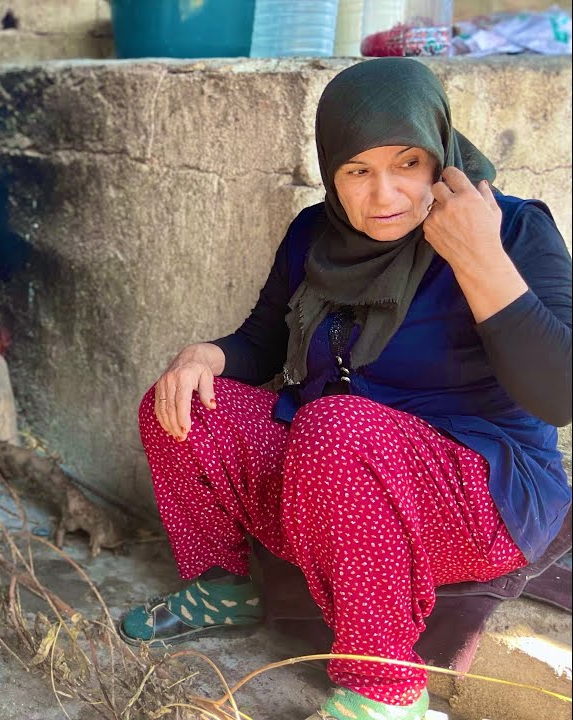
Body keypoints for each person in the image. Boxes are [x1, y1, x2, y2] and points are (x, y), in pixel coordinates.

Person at [121, 58, 571, 720]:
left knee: (337, 427)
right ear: (332, 171)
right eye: (358, 171)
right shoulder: (316, 233)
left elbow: (559, 396)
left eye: (407, 163)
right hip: (331, 470)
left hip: (479, 493)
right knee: (181, 405)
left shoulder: (513, 230)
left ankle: (386, 690)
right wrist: (203, 356)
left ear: (440, 152)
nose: (384, 194)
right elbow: (263, 342)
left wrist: (478, 258)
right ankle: (223, 585)